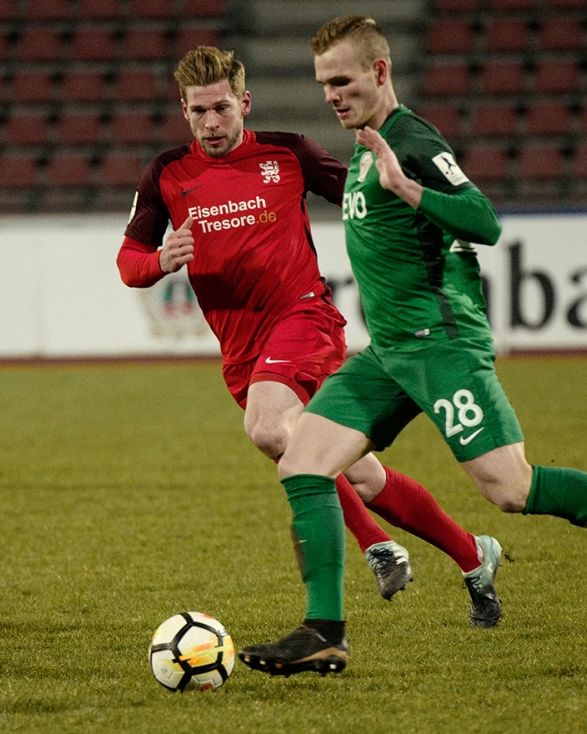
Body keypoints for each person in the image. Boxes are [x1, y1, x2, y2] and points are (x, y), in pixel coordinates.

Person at [238, 15, 587, 678]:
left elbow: (486, 222)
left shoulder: (411, 140)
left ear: (380, 72)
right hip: (390, 353)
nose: (332, 94)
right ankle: (324, 632)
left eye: (342, 80)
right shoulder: (365, 146)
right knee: (302, 461)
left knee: (511, 488)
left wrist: (409, 188)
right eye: (323, 84)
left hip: (442, 345)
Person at [118, 46, 501, 610]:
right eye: (198, 111)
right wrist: (160, 261)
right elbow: (129, 262)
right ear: (184, 111)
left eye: (221, 108)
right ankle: (474, 554)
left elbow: (363, 199)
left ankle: (376, 546)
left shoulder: (289, 153)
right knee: (362, 478)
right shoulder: (167, 173)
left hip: (305, 319)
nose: (211, 123)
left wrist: (424, 219)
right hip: (242, 350)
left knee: (268, 428)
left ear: (245, 103)